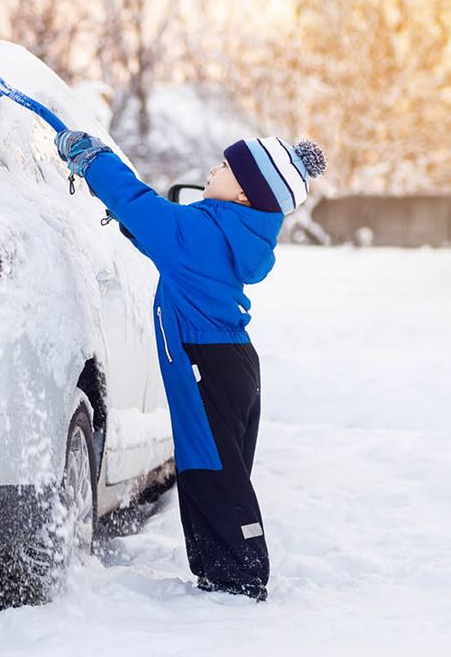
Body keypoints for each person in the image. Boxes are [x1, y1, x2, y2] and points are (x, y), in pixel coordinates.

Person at [55, 130, 326, 601]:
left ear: (243, 191)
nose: (212, 170)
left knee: (214, 474)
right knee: (210, 471)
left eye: (224, 167)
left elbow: (138, 202)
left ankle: (240, 580)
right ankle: (218, 574)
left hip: (209, 366)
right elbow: (161, 234)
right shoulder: (226, 231)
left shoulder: (200, 232)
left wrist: (92, 159)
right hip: (228, 364)